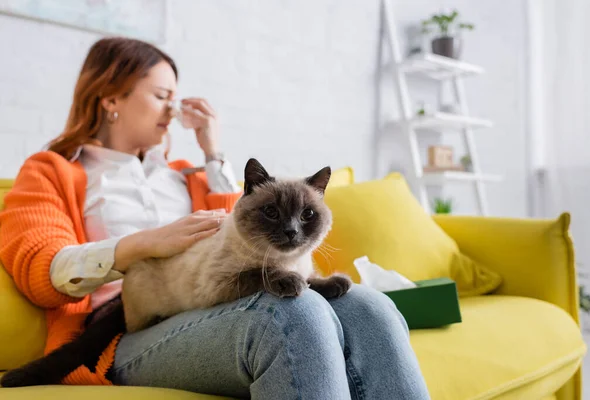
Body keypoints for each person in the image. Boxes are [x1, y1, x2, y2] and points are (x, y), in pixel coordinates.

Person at [0, 37, 430, 399]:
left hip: (218, 298)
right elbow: (41, 268)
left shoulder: (187, 173)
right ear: (111, 97)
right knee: (292, 314)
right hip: (127, 333)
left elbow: (243, 238)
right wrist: (143, 245)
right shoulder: (52, 171)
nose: (172, 111)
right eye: (161, 96)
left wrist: (212, 153)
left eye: (176, 98)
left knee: (370, 307)